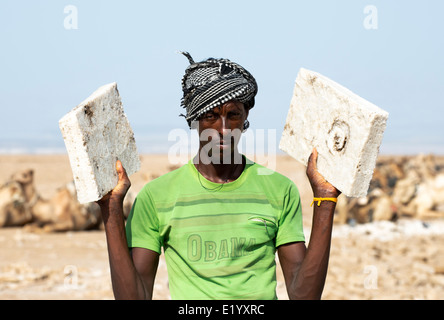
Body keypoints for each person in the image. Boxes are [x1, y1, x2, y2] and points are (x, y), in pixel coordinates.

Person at [97, 53, 340, 300]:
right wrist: (111, 209)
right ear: (194, 121)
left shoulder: (279, 190)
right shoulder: (156, 196)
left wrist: (325, 200)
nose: (223, 129)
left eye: (233, 115)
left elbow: (303, 296)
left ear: (245, 118)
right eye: (210, 116)